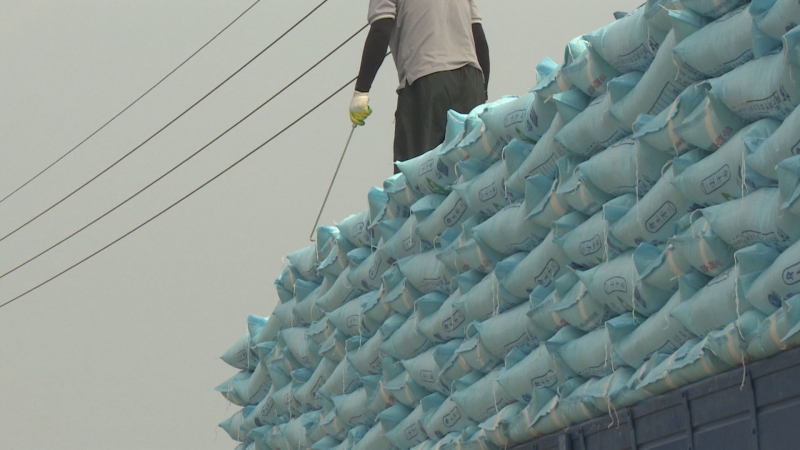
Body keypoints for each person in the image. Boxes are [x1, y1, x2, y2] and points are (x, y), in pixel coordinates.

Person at [349, 0, 490, 173]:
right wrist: (482, 92)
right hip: (471, 81)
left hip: (427, 79)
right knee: (469, 169)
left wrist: (361, 91)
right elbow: (479, 38)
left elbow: (381, 30)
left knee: (416, 174)